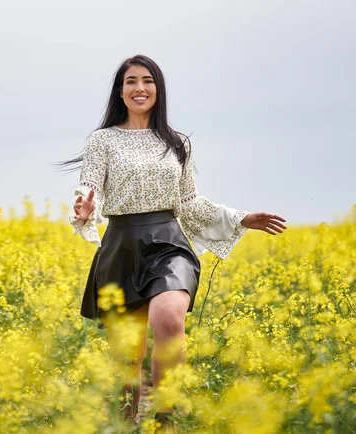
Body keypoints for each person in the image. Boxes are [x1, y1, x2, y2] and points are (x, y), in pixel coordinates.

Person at [57, 54, 287, 431]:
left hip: (168, 242)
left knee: (167, 317)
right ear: (120, 91)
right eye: (131, 81)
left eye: (147, 81)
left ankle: (168, 420)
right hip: (120, 245)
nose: (139, 88)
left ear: (158, 89)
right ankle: (127, 422)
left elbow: (189, 202)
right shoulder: (103, 140)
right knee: (127, 355)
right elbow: (90, 186)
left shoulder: (177, 142)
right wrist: (84, 207)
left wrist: (241, 217)